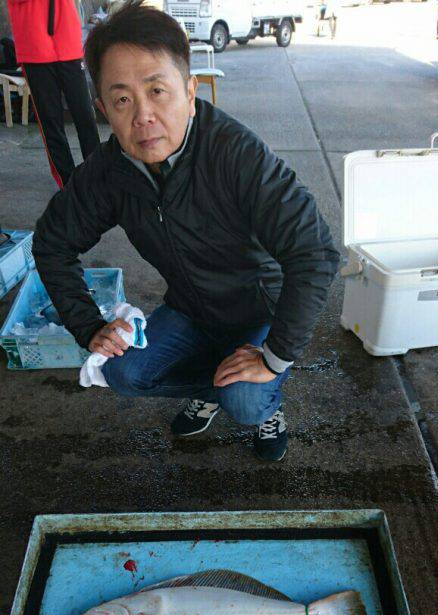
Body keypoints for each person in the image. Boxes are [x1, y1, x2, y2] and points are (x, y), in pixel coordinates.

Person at [32, 1, 339, 462]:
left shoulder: (236, 154)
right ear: (102, 110)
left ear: (191, 90)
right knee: (122, 372)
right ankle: (217, 386)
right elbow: (52, 243)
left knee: (247, 402)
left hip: (259, 311)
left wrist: (275, 355)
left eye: (158, 90)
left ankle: (263, 397)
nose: (143, 116)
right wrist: (88, 325)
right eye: (122, 100)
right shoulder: (109, 171)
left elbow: (315, 251)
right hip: (191, 308)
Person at [7, 0, 100, 187]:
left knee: (85, 116)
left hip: (68, 43)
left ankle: (97, 177)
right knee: (51, 123)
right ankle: (68, 183)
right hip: (35, 47)